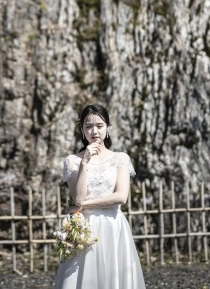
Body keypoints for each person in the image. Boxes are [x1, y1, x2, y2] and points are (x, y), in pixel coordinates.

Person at [54, 104, 146, 289]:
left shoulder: (121, 158)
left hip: (113, 224)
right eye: (88, 126)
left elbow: (121, 197)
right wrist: (85, 162)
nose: (94, 131)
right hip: (85, 227)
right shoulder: (73, 161)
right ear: (82, 130)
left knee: (113, 278)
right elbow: (78, 198)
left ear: (107, 128)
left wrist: (85, 204)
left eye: (99, 125)